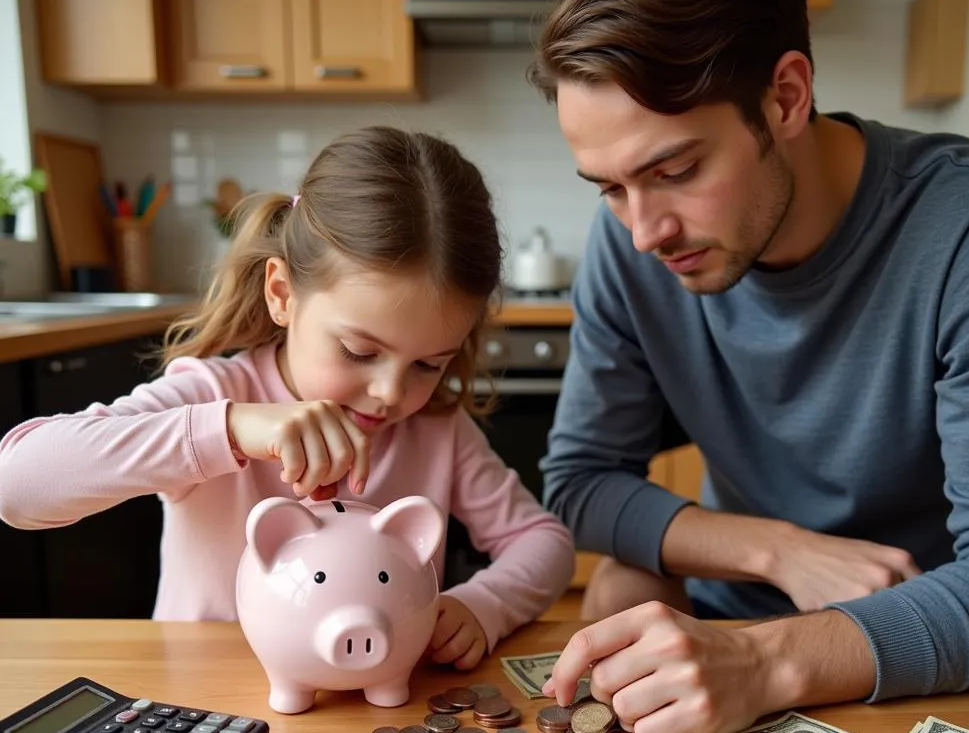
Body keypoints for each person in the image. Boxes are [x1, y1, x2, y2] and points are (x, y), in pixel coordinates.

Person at [528, 0, 969, 733]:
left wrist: (761, 663)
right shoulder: (634, 247)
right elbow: (582, 479)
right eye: (611, 190)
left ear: (786, 97)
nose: (643, 233)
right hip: (724, 651)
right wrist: (779, 551)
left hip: (929, 657)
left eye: (676, 170)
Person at [0, 126, 575, 670]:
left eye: (429, 364)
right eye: (358, 350)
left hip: (373, 717)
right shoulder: (216, 395)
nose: (391, 393)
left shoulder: (436, 428)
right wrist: (228, 431)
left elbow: (544, 542)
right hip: (205, 699)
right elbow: (17, 484)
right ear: (282, 294)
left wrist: (484, 605)